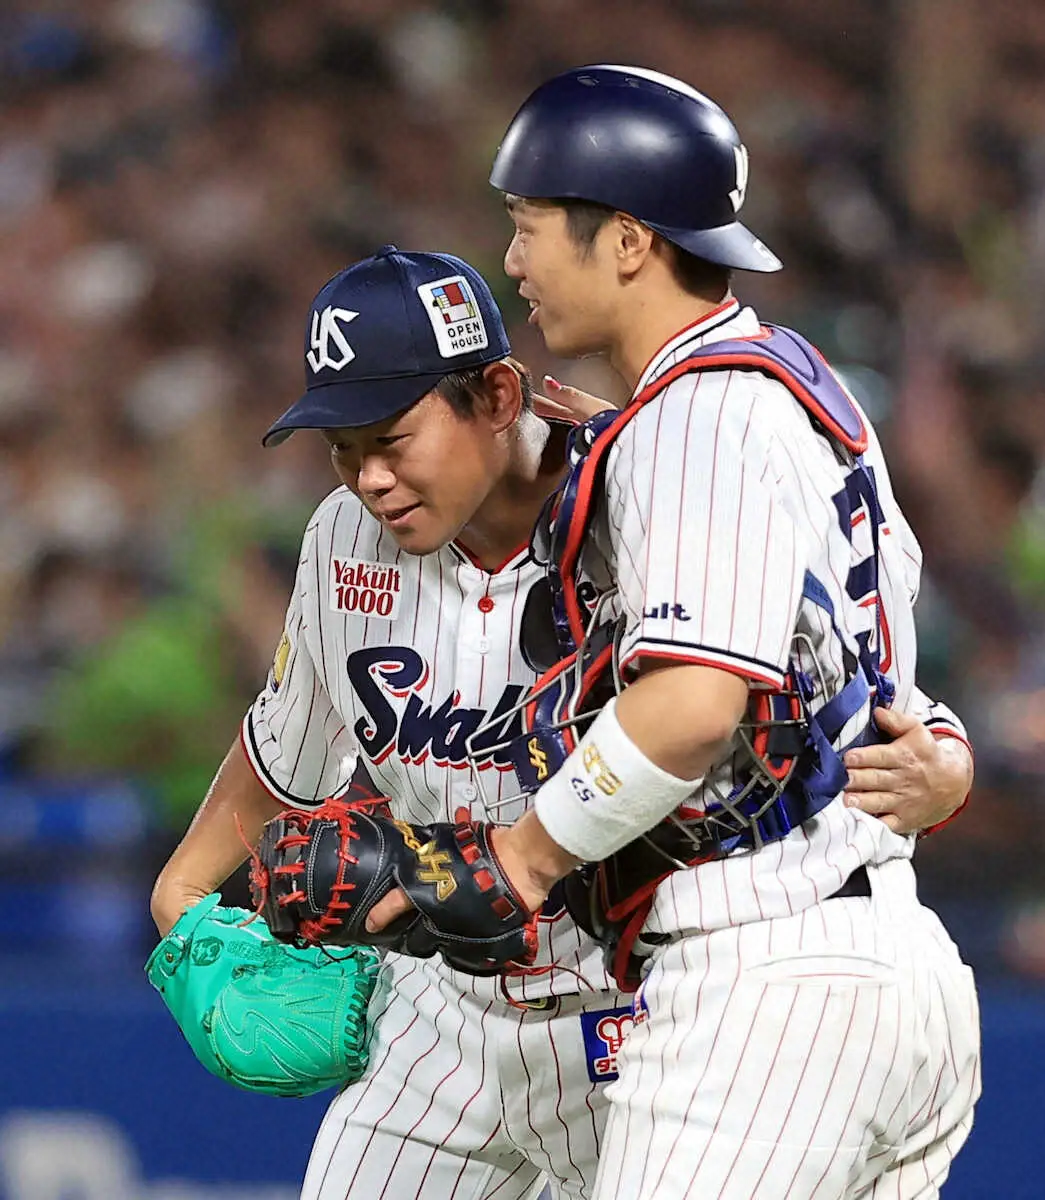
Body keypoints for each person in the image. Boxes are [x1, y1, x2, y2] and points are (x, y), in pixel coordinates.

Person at [151, 244, 973, 1199]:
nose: (367, 477)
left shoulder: (644, 492)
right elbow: (285, 736)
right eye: (342, 446)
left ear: (498, 397)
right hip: (438, 1013)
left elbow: (834, 668)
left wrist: (941, 754)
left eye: (390, 437)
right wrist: (178, 895)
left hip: (631, 1006)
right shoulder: (340, 539)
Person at [365, 66, 980, 1199]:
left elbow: (693, 708)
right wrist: (945, 754)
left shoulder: (693, 418)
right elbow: (864, 662)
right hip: (892, 969)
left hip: (767, 986)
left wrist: (522, 856)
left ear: (631, 241)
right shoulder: (802, 388)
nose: (512, 260)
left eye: (529, 224)